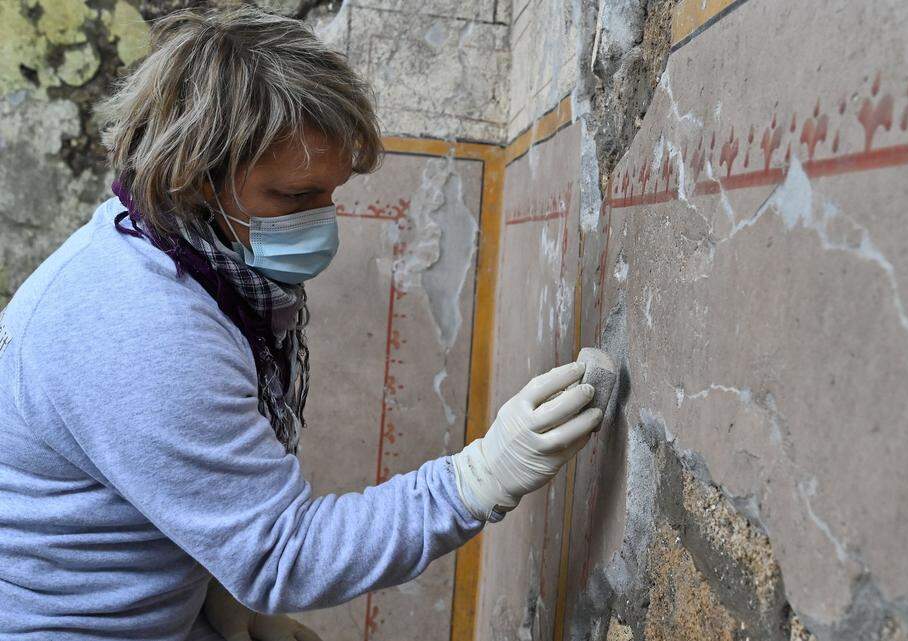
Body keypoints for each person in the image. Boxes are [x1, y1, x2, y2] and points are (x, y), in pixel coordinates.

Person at [0, 6, 601, 640]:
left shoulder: (157, 242)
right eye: (294, 197)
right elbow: (282, 556)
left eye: (330, 194)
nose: (322, 220)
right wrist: (477, 481)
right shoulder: (142, 331)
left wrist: (222, 610)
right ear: (192, 178)